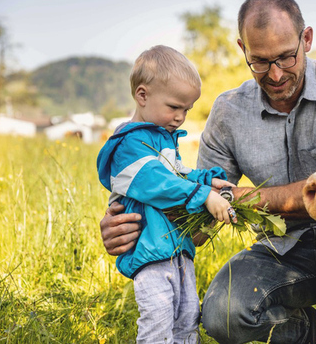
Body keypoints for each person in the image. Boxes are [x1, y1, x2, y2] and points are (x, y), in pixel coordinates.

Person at [100, 0, 316, 344]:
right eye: (259, 61)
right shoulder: (228, 112)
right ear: (242, 49)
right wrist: (134, 224)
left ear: (306, 39)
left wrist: (232, 196)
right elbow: (198, 220)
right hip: (282, 252)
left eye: (286, 57)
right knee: (222, 316)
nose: (275, 74)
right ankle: (304, 329)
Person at [96, 45, 236, 343]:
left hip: (178, 252)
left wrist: (210, 182)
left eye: (187, 109)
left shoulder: (161, 143)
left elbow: (178, 175)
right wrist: (203, 196)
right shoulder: (129, 146)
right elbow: (158, 182)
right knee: (158, 318)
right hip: (150, 254)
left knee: (187, 318)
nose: (180, 117)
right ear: (142, 95)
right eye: (174, 107)